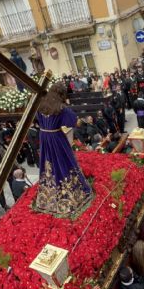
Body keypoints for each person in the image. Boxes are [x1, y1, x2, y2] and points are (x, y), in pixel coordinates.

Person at [35, 83, 92, 214]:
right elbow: (75, 122)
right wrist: (82, 120)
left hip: (44, 136)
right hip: (56, 138)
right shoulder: (61, 108)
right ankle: (70, 196)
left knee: (48, 163)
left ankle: (47, 196)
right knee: (64, 161)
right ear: (61, 94)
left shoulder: (41, 103)